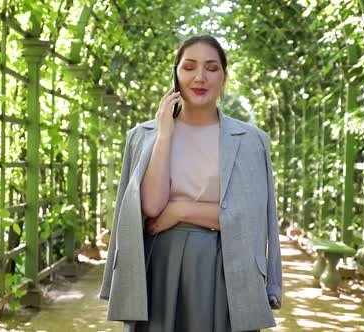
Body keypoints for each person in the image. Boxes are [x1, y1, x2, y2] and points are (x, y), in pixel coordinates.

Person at [99, 35, 282, 332]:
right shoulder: (142, 136)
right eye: (189, 67)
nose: (200, 77)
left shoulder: (251, 141)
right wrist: (165, 134)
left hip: (228, 266)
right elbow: (151, 207)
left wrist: (181, 210)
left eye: (211, 68)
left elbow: (251, 218)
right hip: (160, 265)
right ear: (175, 74)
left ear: (224, 76)